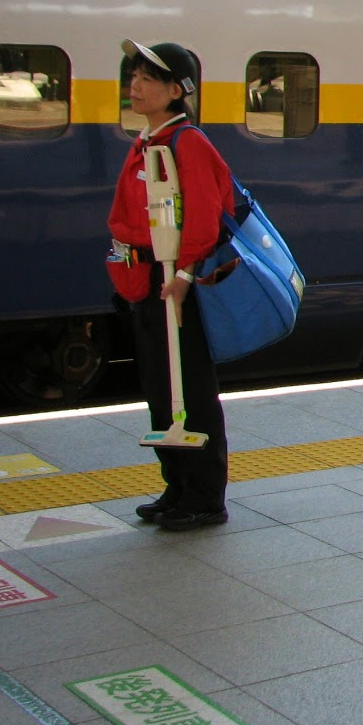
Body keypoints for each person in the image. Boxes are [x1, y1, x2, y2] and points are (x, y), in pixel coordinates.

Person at [107, 39, 235, 530]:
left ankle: (206, 496)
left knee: (192, 392)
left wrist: (182, 278)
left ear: (176, 90)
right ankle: (177, 486)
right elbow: (123, 219)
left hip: (176, 288)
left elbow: (205, 219)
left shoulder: (188, 144)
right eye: (133, 77)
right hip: (145, 285)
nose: (134, 86)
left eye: (147, 78)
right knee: (162, 392)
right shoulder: (146, 143)